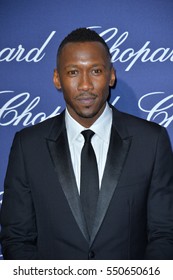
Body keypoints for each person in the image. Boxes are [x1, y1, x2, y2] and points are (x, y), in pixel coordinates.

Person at [0, 28, 173, 260]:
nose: (85, 85)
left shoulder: (151, 142)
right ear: (57, 78)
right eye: (73, 72)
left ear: (111, 75)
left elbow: (164, 234)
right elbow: (17, 237)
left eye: (96, 71)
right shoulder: (28, 146)